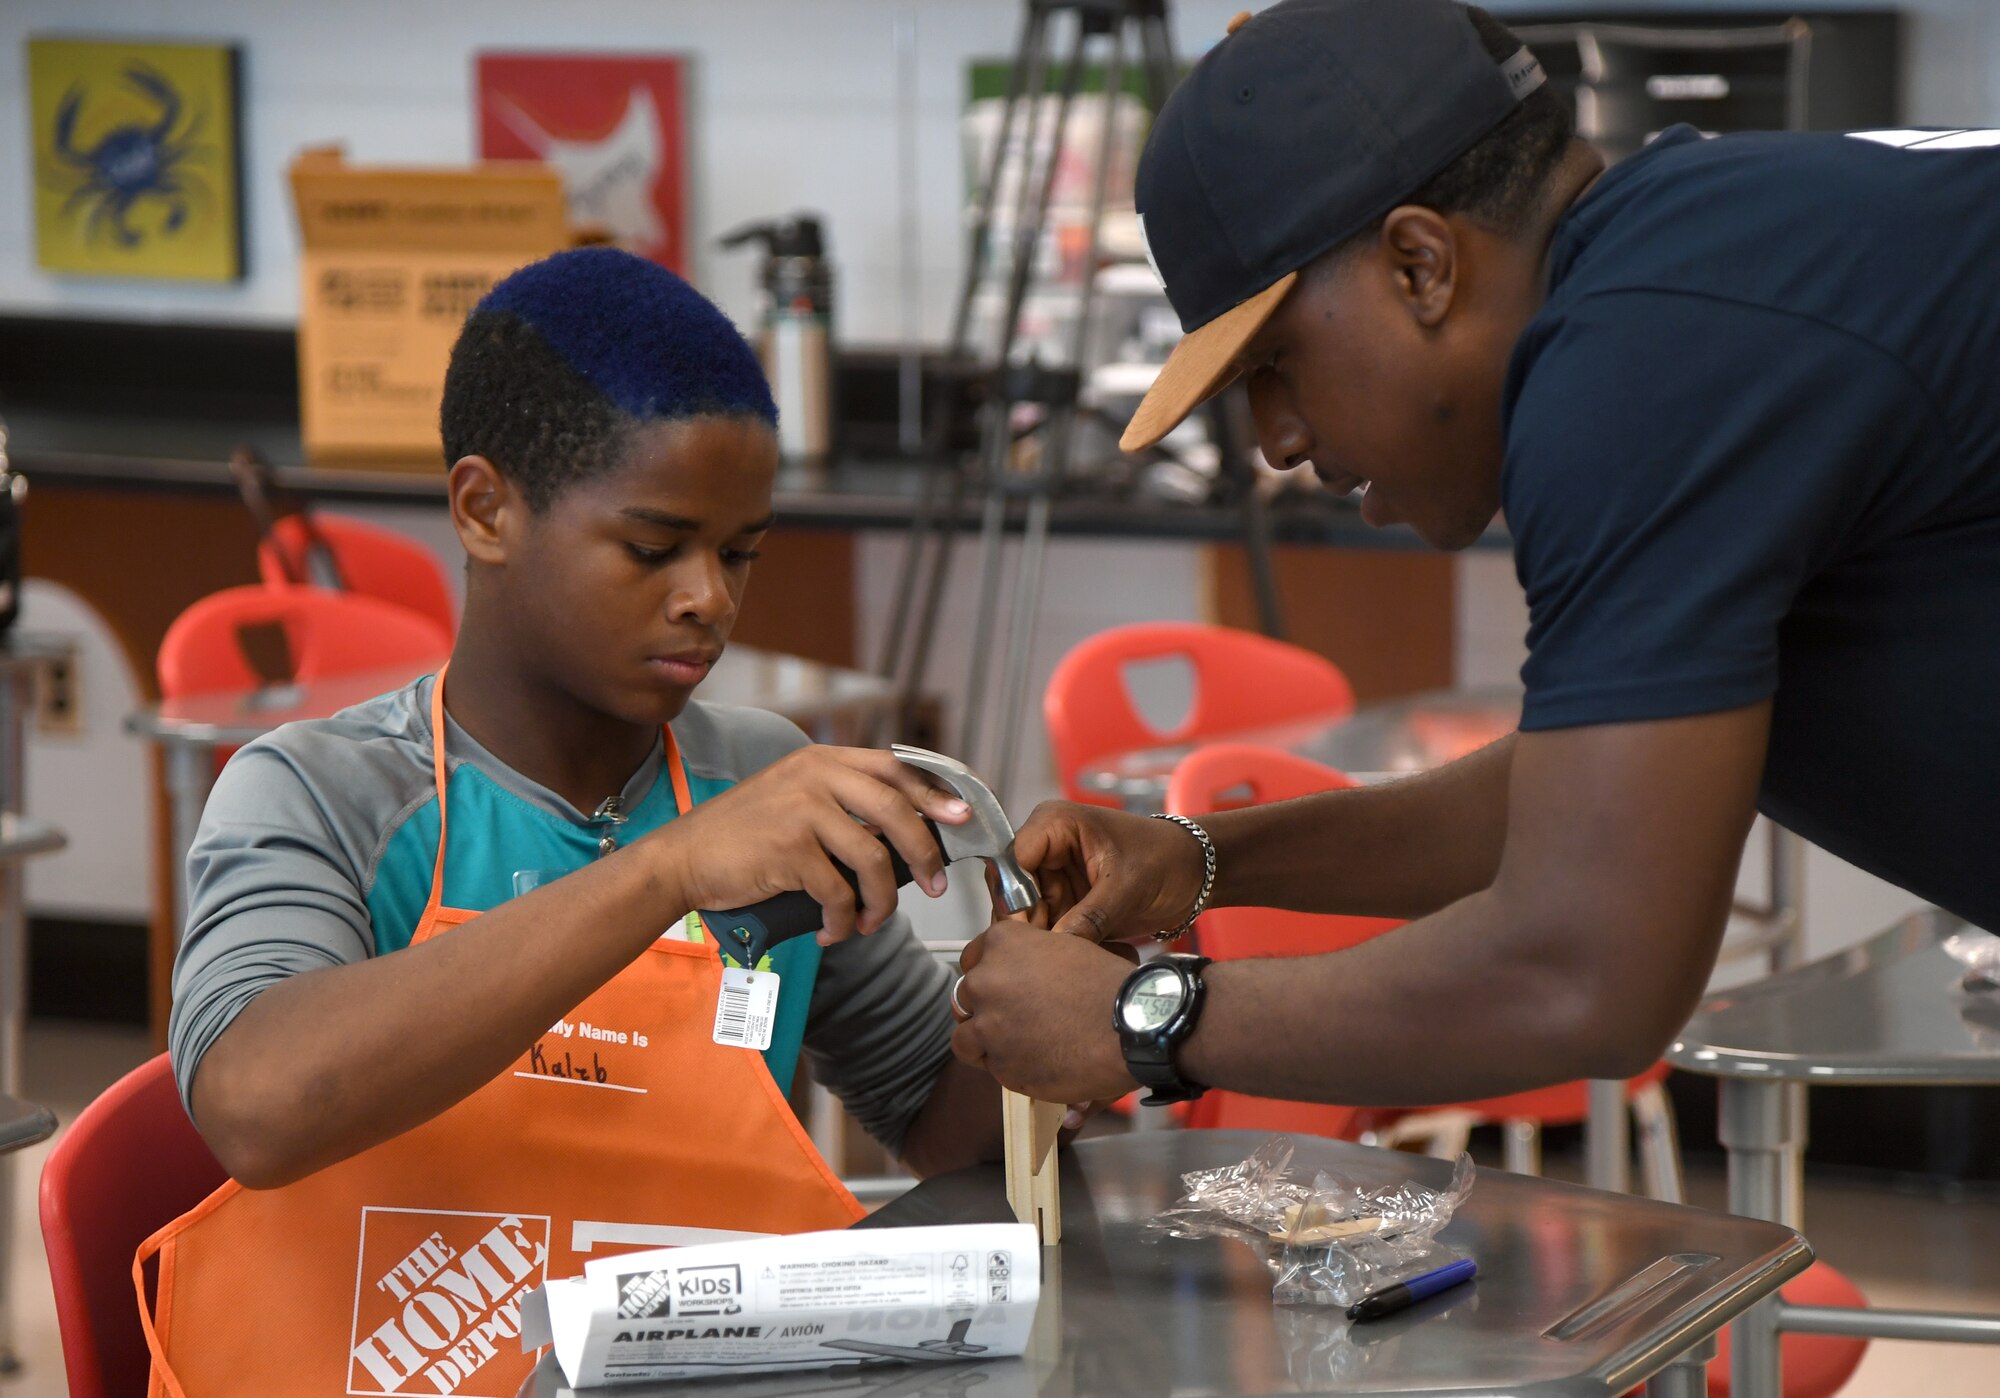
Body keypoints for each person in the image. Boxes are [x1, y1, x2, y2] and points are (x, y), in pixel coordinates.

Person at [949, 0, 2000, 1114]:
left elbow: (1580, 969)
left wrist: (1139, 1022)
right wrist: (1196, 859)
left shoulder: (1638, 363)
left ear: (1418, 265)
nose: (1277, 440)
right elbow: (1578, 806)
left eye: (1273, 363)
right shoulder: (1697, 270)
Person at [147, 247, 997, 1396]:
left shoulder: (755, 774)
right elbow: (256, 1108)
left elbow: (934, 1119)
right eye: (652, 549)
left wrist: (1059, 1009)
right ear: (485, 510)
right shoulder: (320, 791)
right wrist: (666, 874)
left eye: (739, 551)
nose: (710, 597)